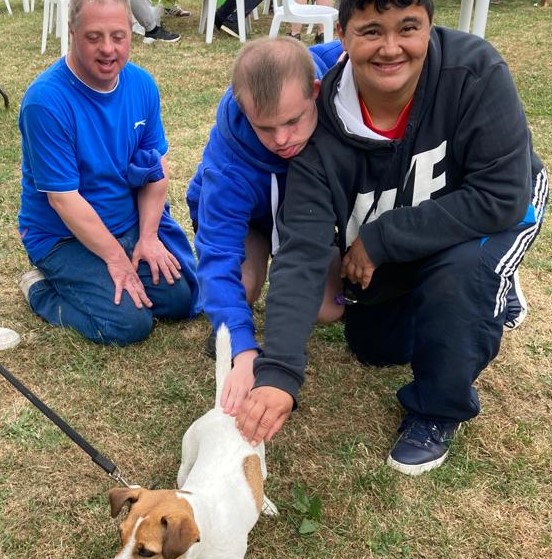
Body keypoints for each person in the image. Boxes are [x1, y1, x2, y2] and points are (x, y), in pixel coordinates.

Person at [235, 0, 549, 476]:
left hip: (496, 212)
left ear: (430, 26)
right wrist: (278, 373)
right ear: (342, 35)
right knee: (375, 346)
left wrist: (382, 238)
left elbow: (501, 197)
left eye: (408, 28)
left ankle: (437, 408)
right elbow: (301, 255)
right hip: (410, 230)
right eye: (371, 31)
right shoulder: (317, 129)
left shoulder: (474, 71)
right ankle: (470, 294)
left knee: (461, 277)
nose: (390, 47)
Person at [18, 0, 200, 347]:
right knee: (129, 324)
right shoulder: (45, 102)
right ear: (72, 33)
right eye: (93, 37)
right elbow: (63, 200)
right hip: (61, 236)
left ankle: (113, 268)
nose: (107, 49)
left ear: (131, 32)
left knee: (180, 300)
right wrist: (116, 259)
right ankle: (40, 289)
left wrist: (149, 237)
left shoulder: (142, 85)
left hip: (125, 224)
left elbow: (156, 170)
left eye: (118, 36)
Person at [187, 37, 344, 413]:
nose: (282, 140)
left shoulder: (339, 67)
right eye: (265, 128)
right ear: (245, 112)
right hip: (252, 225)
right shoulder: (227, 168)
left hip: (308, 223)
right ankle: (229, 324)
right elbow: (217, 256)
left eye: (293, 121)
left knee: (327, 308)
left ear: (315, 91)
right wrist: (243, 352)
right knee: (242, 283)